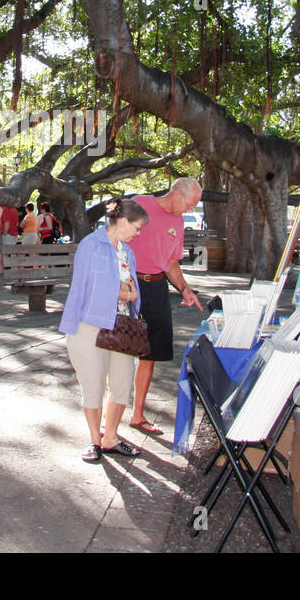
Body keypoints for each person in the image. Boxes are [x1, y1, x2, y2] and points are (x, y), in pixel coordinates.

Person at [59, 196, 148, 463]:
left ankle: (111, 437)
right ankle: (94, 441)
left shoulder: (127, 251)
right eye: (137, 227)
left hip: (123, 327)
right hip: (90, 325)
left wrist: (128, 294)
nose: (139, 232)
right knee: (93, 385)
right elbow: (83, 287)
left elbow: (133, 289)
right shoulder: (91, 245)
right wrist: (122, 292)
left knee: (121, 384)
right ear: (123, 222)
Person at [126, 178, 204, 436]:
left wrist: (185, 289)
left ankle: (137, 415)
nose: (190, 210)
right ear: (177, 195)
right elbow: (114, 243)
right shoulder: (139, 204)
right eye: (190, 204)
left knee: (151, 353)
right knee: (118, 348)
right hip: (130, 285)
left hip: (157, 287)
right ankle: (109, 414)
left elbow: (171, 261)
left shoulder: (178, 222)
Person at [0, 203, 19, 271]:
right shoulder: (13, 209)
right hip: (10, 232)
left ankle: (0, 267)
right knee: (7, 251)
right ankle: (9, 267)